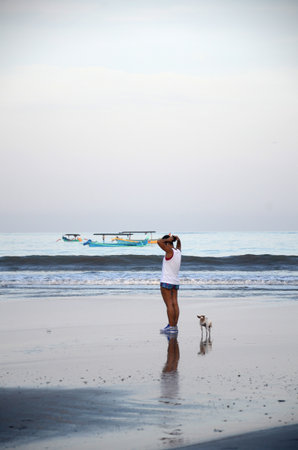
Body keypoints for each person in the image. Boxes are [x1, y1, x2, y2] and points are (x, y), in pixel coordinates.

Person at [157, 234, 181, 334]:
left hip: (166, 281)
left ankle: (171, 326)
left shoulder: (169, 251)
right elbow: (179, 245)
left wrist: (169, 239)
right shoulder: (178, 251)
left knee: (169, 305)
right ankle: (174, 325)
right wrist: (178, 239)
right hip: (175, 282)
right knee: (175, 303)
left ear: (167, 243)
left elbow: (158, 242)